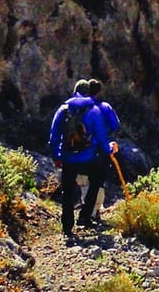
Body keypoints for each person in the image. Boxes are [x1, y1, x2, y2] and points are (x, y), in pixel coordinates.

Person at [47, 80, 116, 243]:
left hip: (68, 157)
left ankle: (67, 226)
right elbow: (101, 136)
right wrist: (109, 148)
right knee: (97, 180)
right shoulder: (94, 110)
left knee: (68, 190)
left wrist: (56, 157)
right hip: (89, 158)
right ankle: (85, 216)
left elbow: (53, 137)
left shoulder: (63, 109)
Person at [82, 78, 122, 211]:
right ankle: (94, 210)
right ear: (99, 91)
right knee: (98, 181)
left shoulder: (79, 107)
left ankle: (86, 209)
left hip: (79, 148)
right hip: (99, 148)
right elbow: (115, 125)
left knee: (84, 180)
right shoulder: (104, 107)